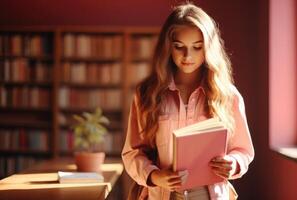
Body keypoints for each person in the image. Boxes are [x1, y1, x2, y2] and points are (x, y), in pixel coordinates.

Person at [122, 2, 254, 200]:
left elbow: (243, 150)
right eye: (179, 47)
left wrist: (233, 163)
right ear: (168, 47)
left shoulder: (228, 95)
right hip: (163, 194)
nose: (187, 56)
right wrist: (156, 176)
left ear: (209, 48)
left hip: (210, 195)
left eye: (197, 47)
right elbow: (133, 152)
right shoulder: (147, 94)